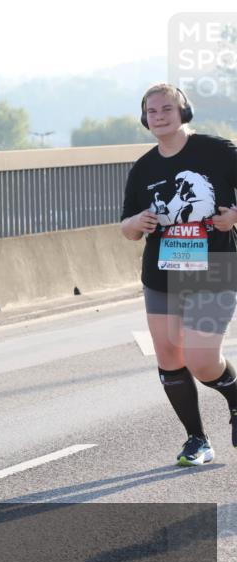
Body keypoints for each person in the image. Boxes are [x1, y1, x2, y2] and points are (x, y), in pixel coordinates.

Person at [120, 83, 237, 466]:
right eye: (152, 111)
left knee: (203, 360)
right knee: (169, 355)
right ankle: (196, 440)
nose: (159, 116)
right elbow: (127, 229)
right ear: (144, 119)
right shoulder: (143, 168)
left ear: (183, 111)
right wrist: (137, 220)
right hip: (162, 272)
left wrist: (234, 217)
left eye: (167, 108)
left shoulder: (217, 152)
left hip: (214, 268)